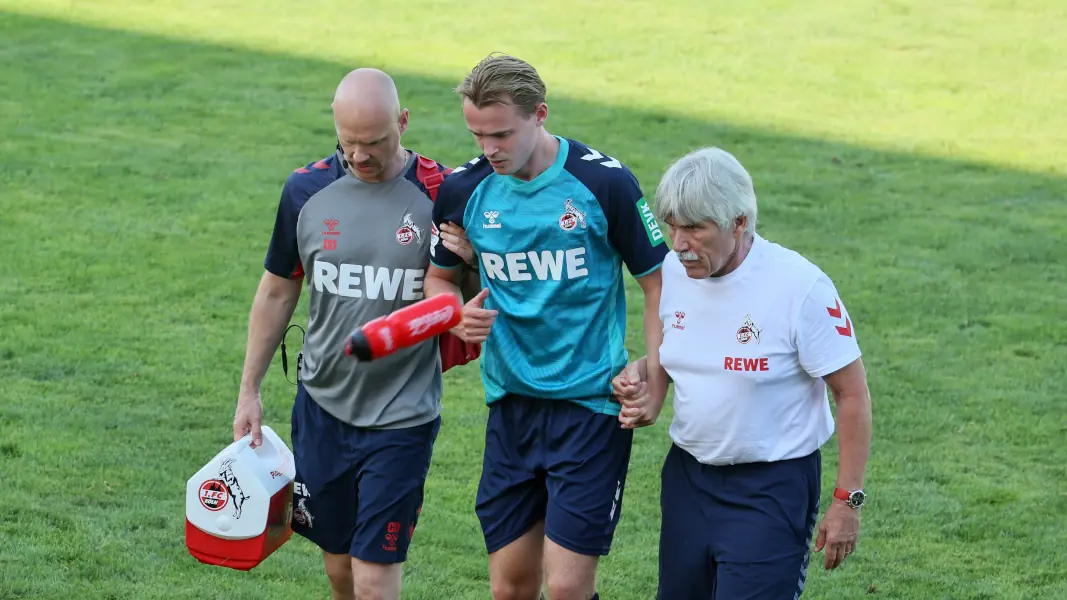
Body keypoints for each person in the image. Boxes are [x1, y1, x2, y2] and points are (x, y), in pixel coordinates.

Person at [424, 53, 670, 600]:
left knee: (565, 589)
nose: (488, 149)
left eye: (501, 134)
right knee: (510, 587)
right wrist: (454, 313)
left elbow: (659, 284)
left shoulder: (601, 183)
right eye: (477, 135)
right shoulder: (464, 191)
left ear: (540, 114)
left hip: (590, 407)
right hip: (510, 406)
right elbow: (438, 280)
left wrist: (656, 376)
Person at [231, 68, 479, 600]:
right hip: (322, 408)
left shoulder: (445, 191)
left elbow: (474, 292)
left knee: (372, 576)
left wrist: (475, 260)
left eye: (376, 143)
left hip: (403, 415)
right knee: (339, 569)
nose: (362, 157)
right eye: (350, 144)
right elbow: (277, 291)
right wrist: (249, 390)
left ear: (404, 123)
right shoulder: (306, 190)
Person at [612, 146, 873, 600]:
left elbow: (852, 395)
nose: (679, 243)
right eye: (673, 225)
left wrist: (846, 501)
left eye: (695, 227)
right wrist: (642, 373)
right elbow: (683, 354)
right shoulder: (674, 273)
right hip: (688, 479)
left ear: (738, 222)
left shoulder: (800, 287)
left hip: (771, 489)